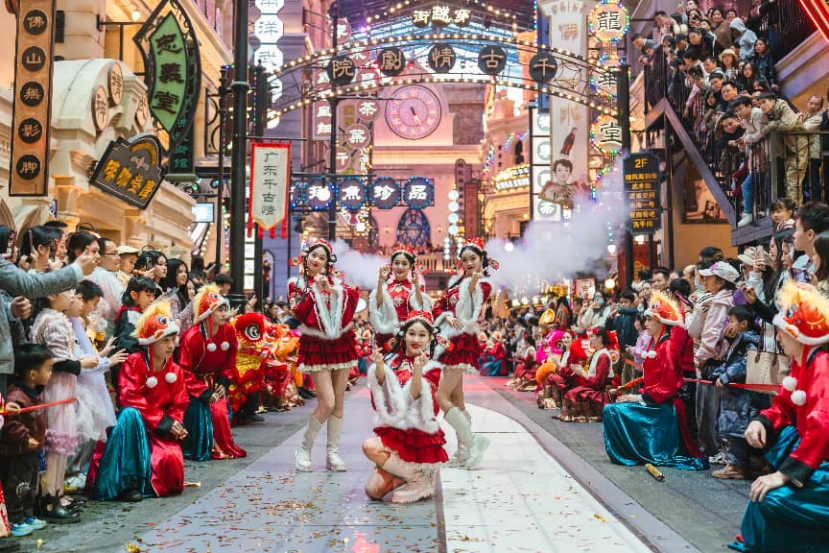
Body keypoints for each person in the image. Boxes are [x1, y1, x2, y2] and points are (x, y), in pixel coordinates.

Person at [729, 282, 829, 552]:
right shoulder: (801, 362)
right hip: (816, 458)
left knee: (769, 497)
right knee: (764, 494)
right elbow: (784, 405)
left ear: (799, 336)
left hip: (822, 462)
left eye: (783, 332)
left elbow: (823, 426)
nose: (779, 338)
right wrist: (760, 421)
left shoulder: (822, 365)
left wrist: (785, 474)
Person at [92, 300, 189, 502]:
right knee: (130, 413)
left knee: (170, 461)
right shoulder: (133, 363)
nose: (171, 345)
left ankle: (142, 483)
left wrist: (175, 424)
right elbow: (129, 398)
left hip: (160, 429)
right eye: (165, 340)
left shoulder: (176, 371)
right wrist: (162, 421)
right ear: (151, 342)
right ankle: (127, 483)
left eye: (173, 339)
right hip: (133, 427)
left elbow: (179, 404)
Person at [603, 291, 707, 470]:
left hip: (663, 406)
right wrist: (628, 391)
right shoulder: (659, 345)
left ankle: (635, 453)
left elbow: (668, 387)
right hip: (655, 401)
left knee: (611, 411)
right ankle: (633, 453)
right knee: (613, 408)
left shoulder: (667, 347)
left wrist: (638, 398)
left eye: (650, 320)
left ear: (662, 323)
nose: (646, 324)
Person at [289, 238, 360, 472]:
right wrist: (315, 291)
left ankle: (332, 453)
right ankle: (304, 449)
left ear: (328, 263)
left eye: (322, 257)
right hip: (316, 345)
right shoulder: (297, 285)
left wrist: (332, 289)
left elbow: (353, 299)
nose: (316, 260)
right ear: (306, 257)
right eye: (314, 255)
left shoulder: (337, 283)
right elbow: (298, 312)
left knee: (338, 403)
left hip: (341, 343)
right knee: (327, 402)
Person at [363, 311, 448, 503]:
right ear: (404, 335)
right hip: (396, 432)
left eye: (421, 335)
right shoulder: (393, 362)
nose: (416, 339)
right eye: (412, 333)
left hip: (418, 437)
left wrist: (417, 370)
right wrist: (379, 369)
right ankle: (410, 475)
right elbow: (382, 402)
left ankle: (419, 479)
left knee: (369, 446)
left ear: (430, 338)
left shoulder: (432, 368)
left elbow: (416, 400)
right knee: (373, 491)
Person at [432, 238, 495, 469]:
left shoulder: (484, 285)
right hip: (449, 340)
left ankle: (472, 441)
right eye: (465, 259)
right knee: (457, 398)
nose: (468, 263)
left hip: (462, 341)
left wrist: (471, 287)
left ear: (481, 260)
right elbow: (439, 306)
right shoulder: (455, 283)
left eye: (473, 259)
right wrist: (446, 315)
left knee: (441, 396)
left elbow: (470, 313)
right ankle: (463, 451)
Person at [30, 289, 88, 523]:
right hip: (54, 387)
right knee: (54, 446)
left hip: (62, 387)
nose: (72, 295)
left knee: (60, 445)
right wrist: (82, 364)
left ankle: (56, 494)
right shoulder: (52, 320)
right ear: (52, 295)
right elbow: (59, 361)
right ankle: (48, 498)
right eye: (67, 290)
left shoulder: (54, 317)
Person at [66, 281, 124, 491]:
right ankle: (67, 480)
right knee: (79, 435)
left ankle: (73, 479)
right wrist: (107, 361)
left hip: (85, 385)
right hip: (76, 387)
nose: (90, 308)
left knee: (88, 434)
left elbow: (86, 355)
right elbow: (79, 359)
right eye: (93, 302)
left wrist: (103, 356)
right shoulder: (66, 322)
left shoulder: (75, 321)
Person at [178, 284, 246, 461]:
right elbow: (183, 370)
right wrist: (202, 392)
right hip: (192, 385)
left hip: (216, 381)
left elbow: (231, 359)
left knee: (220, 412)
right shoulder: (191, 336)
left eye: (225, 309)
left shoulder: (228, 331)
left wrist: (224, 381)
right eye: (219, 310)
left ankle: (222, 446)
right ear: (208, 313)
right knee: (200, 414)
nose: (224, 314)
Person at [709, 305, 769, 480]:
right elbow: (731, 362)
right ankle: (740, 464)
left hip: (743, 396)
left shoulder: (750, 341)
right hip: (735, 394)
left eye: (732, 321)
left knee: (736, 430)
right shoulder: (740, 339)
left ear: (744, 323)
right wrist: (717, 373)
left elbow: (744, 364)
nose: (729, 324)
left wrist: (726, 376)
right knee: (734, 429)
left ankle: (735, 466)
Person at [0, 344, 49, 538]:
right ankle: (14, 519)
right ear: (33, 374)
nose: (50, 373)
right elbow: (10, 424)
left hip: (30, 451)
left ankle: (27, 515)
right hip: (18, 451)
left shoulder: (32, 392)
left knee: (29, 484)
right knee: (16, 485)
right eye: (48, 369)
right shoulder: (16, 396)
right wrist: (25, 438)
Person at [369, 244, 430, 352]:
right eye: (396, 263)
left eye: (404, 264)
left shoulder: (416, 287)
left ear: (411, 266)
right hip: (387, 336)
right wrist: (380, 281)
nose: (400, 267)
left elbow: (420, 306)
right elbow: (378, 305)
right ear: (391, 265)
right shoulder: (385, 287)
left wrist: (416, 285)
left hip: (409, 336)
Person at [112, 276, 158, 401]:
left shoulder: (135, 313)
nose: (152, 299)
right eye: (148, 295)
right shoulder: (130, 315)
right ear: (134, 295)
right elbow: (129, 346)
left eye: (153, 296)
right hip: (129, 370)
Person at [559, 327, 616, 423]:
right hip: (594, 387)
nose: (589, 339)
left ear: (600, 338)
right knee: (571, 391)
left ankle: (584, 414)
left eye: (592, 336)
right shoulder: (598, 352)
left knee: (573, 393)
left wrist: (582, 373)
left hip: (600, 392)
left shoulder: (603, 356)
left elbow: (599, 383)